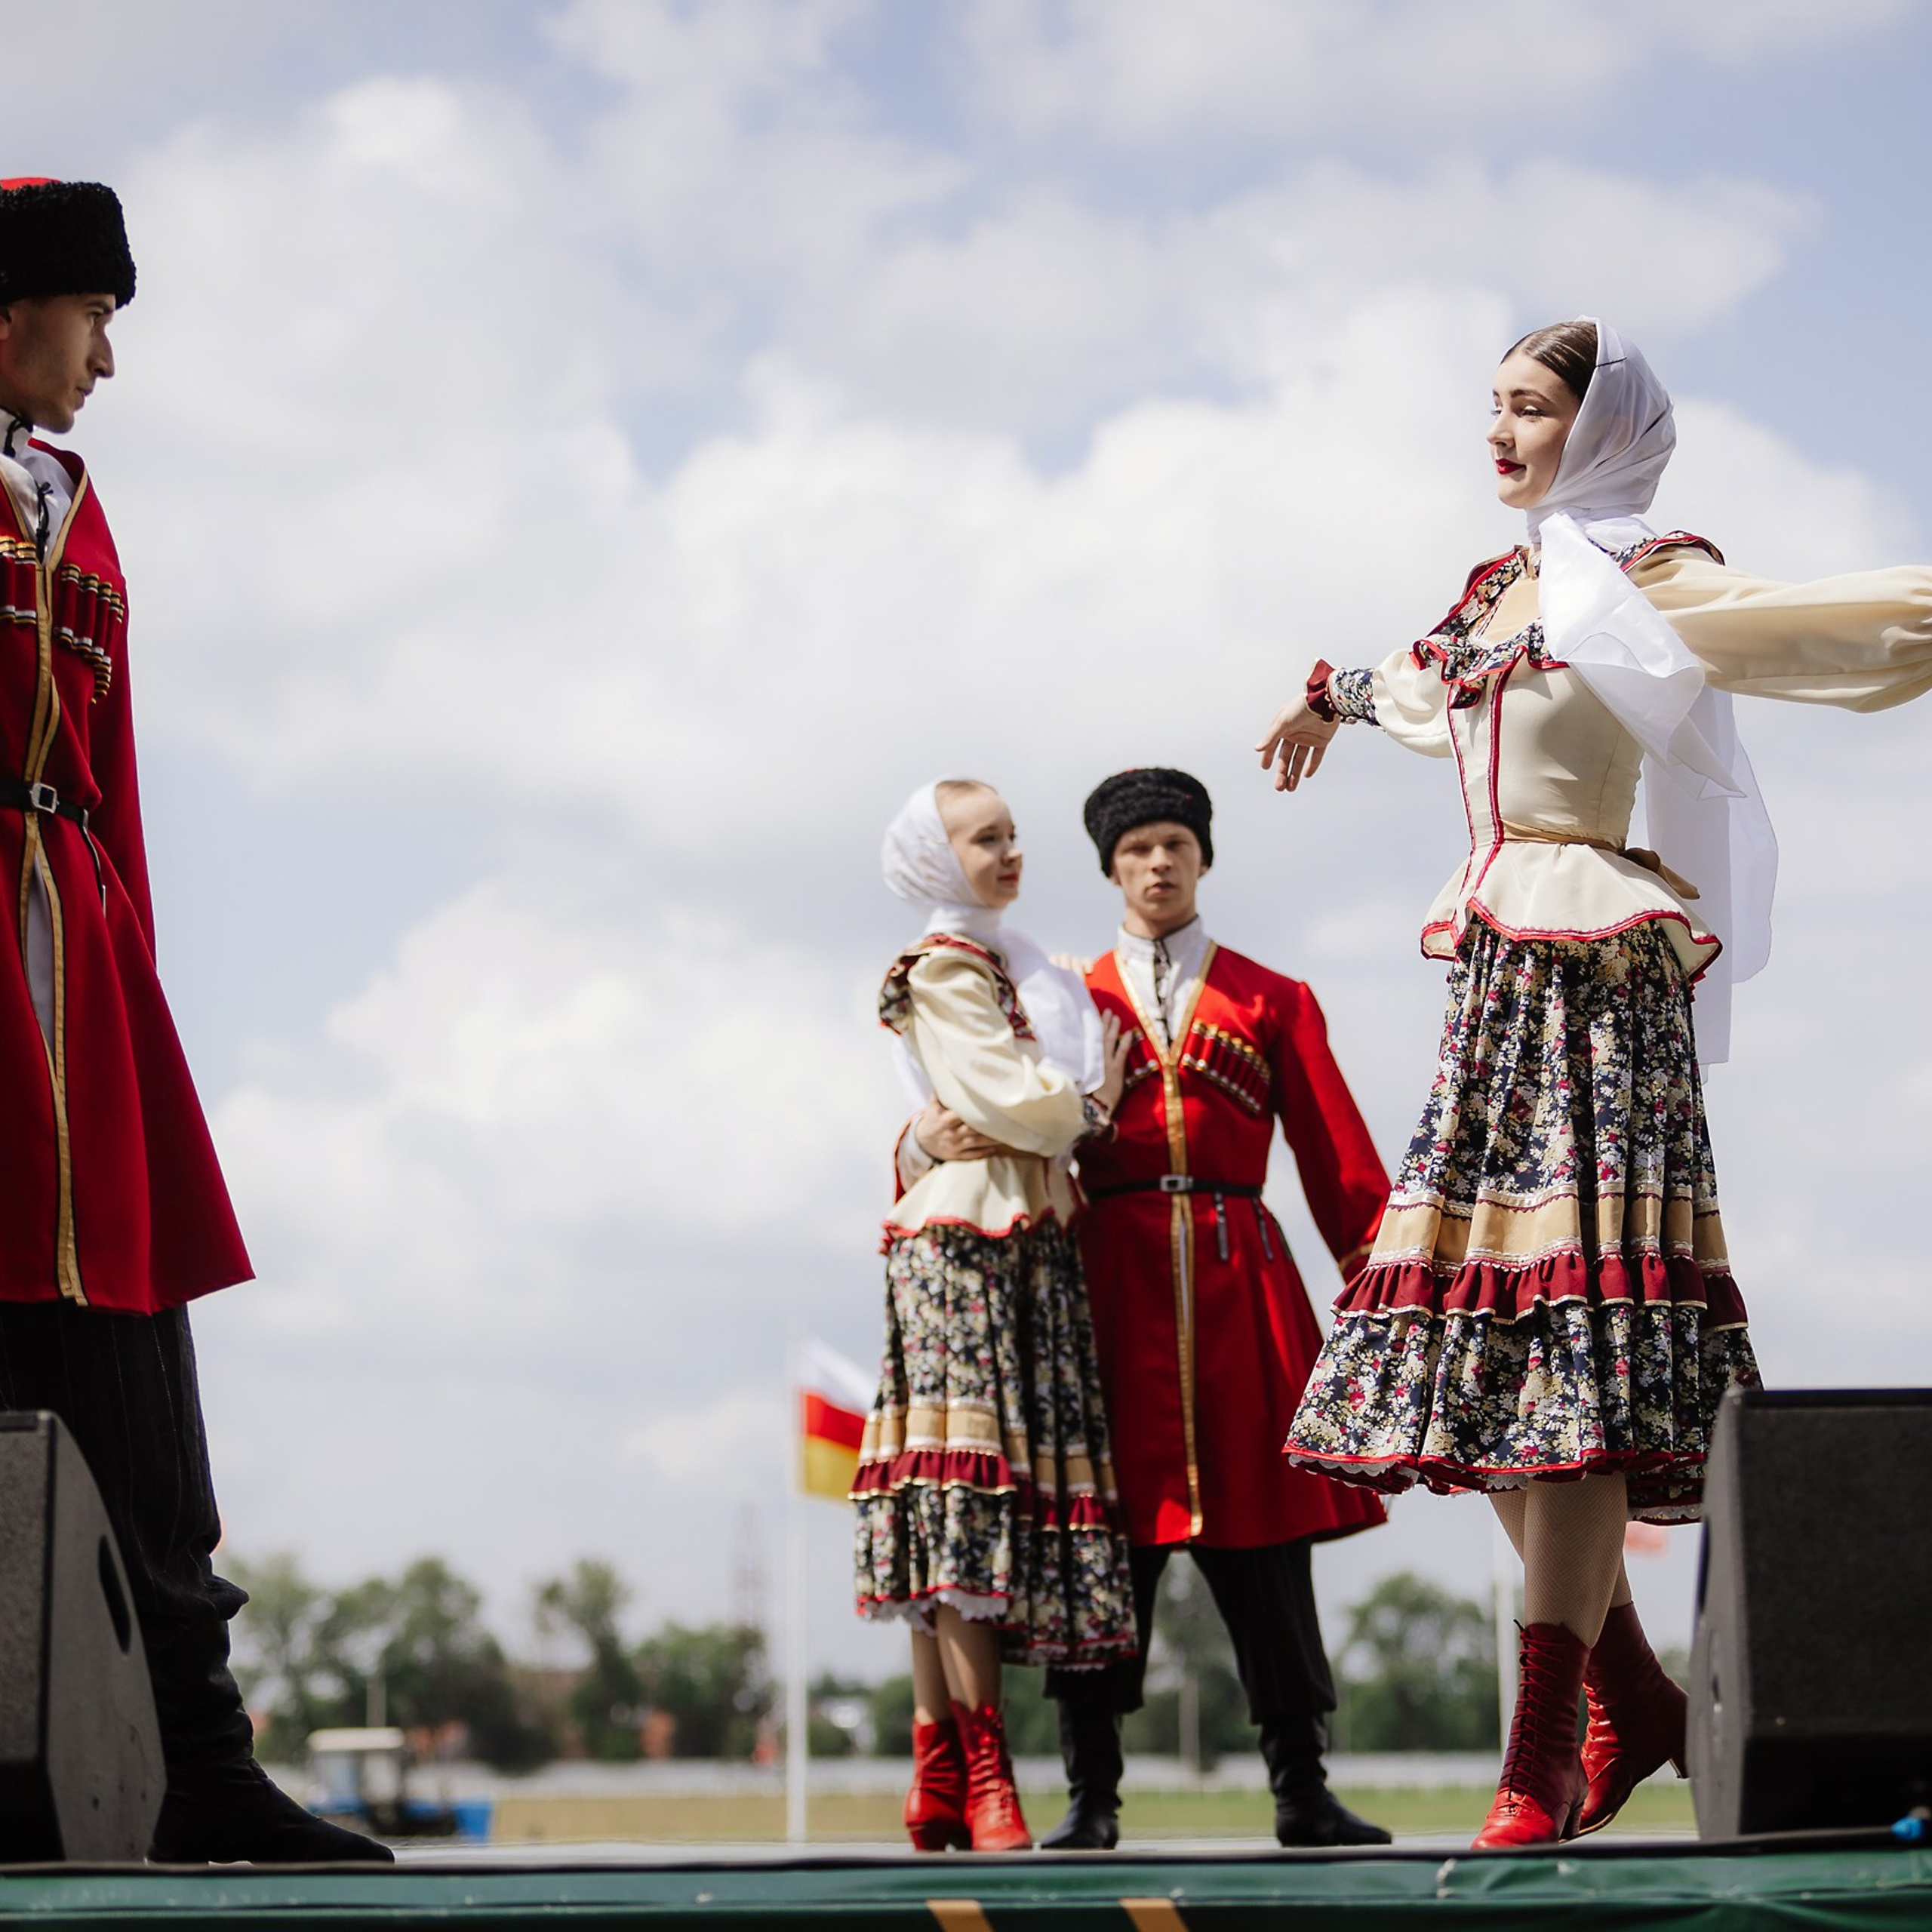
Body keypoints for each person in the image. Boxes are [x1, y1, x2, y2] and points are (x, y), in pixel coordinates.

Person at [1256, 317, 1932, 1847]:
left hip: (1592, 978)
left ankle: (1542, 1738)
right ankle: (1619, 1684)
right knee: (1481, 1349)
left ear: (1600, 426)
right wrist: (1327, 699)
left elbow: (1816, 621)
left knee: (1563, 1338)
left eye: (1528, 410)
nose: (1497, 434)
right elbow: (1420, 682)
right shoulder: (1499, 591)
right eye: (1486, 408)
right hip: (1493, 987)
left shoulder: (1644, 576)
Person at [0, 177, 387, 1863]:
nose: (107, 360)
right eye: (95, 318)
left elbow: (116, 786)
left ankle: (200, 1758)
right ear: (16, 309)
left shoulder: (77, 508)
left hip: (68, 969)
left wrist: (128, 981)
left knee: (140, 1369)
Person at [913, 771, 1394, 1849]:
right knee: (1104, 1549)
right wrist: (912, 1151)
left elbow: (1336, 1159)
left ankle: (1302, 1791)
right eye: (1137, 851)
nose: (1158, 864)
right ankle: (1092, 1798)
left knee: (1270, 1546)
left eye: (1176, 843)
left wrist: (1382, 1286)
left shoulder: (1275, 999)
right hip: (1107, 1293)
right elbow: (962, 1107)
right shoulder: (1055, 996)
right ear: (1111, 868)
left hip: (1242, 1289)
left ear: (1204, 858)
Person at [854, 777, 1137, 1853]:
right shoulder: (940, 969)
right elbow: (1001, 1094)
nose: (1010, 853)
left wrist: (1041, 1109)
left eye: (1015, 835)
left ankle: (940, 1772)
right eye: (985, 840)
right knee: (963, 1501)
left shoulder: (1026, 972)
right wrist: (1084, 1105)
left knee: (969, 1504)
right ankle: (984, 1774)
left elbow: (1010, 1100)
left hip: (1030, 1239)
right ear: (936, 857)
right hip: (965, 1245)